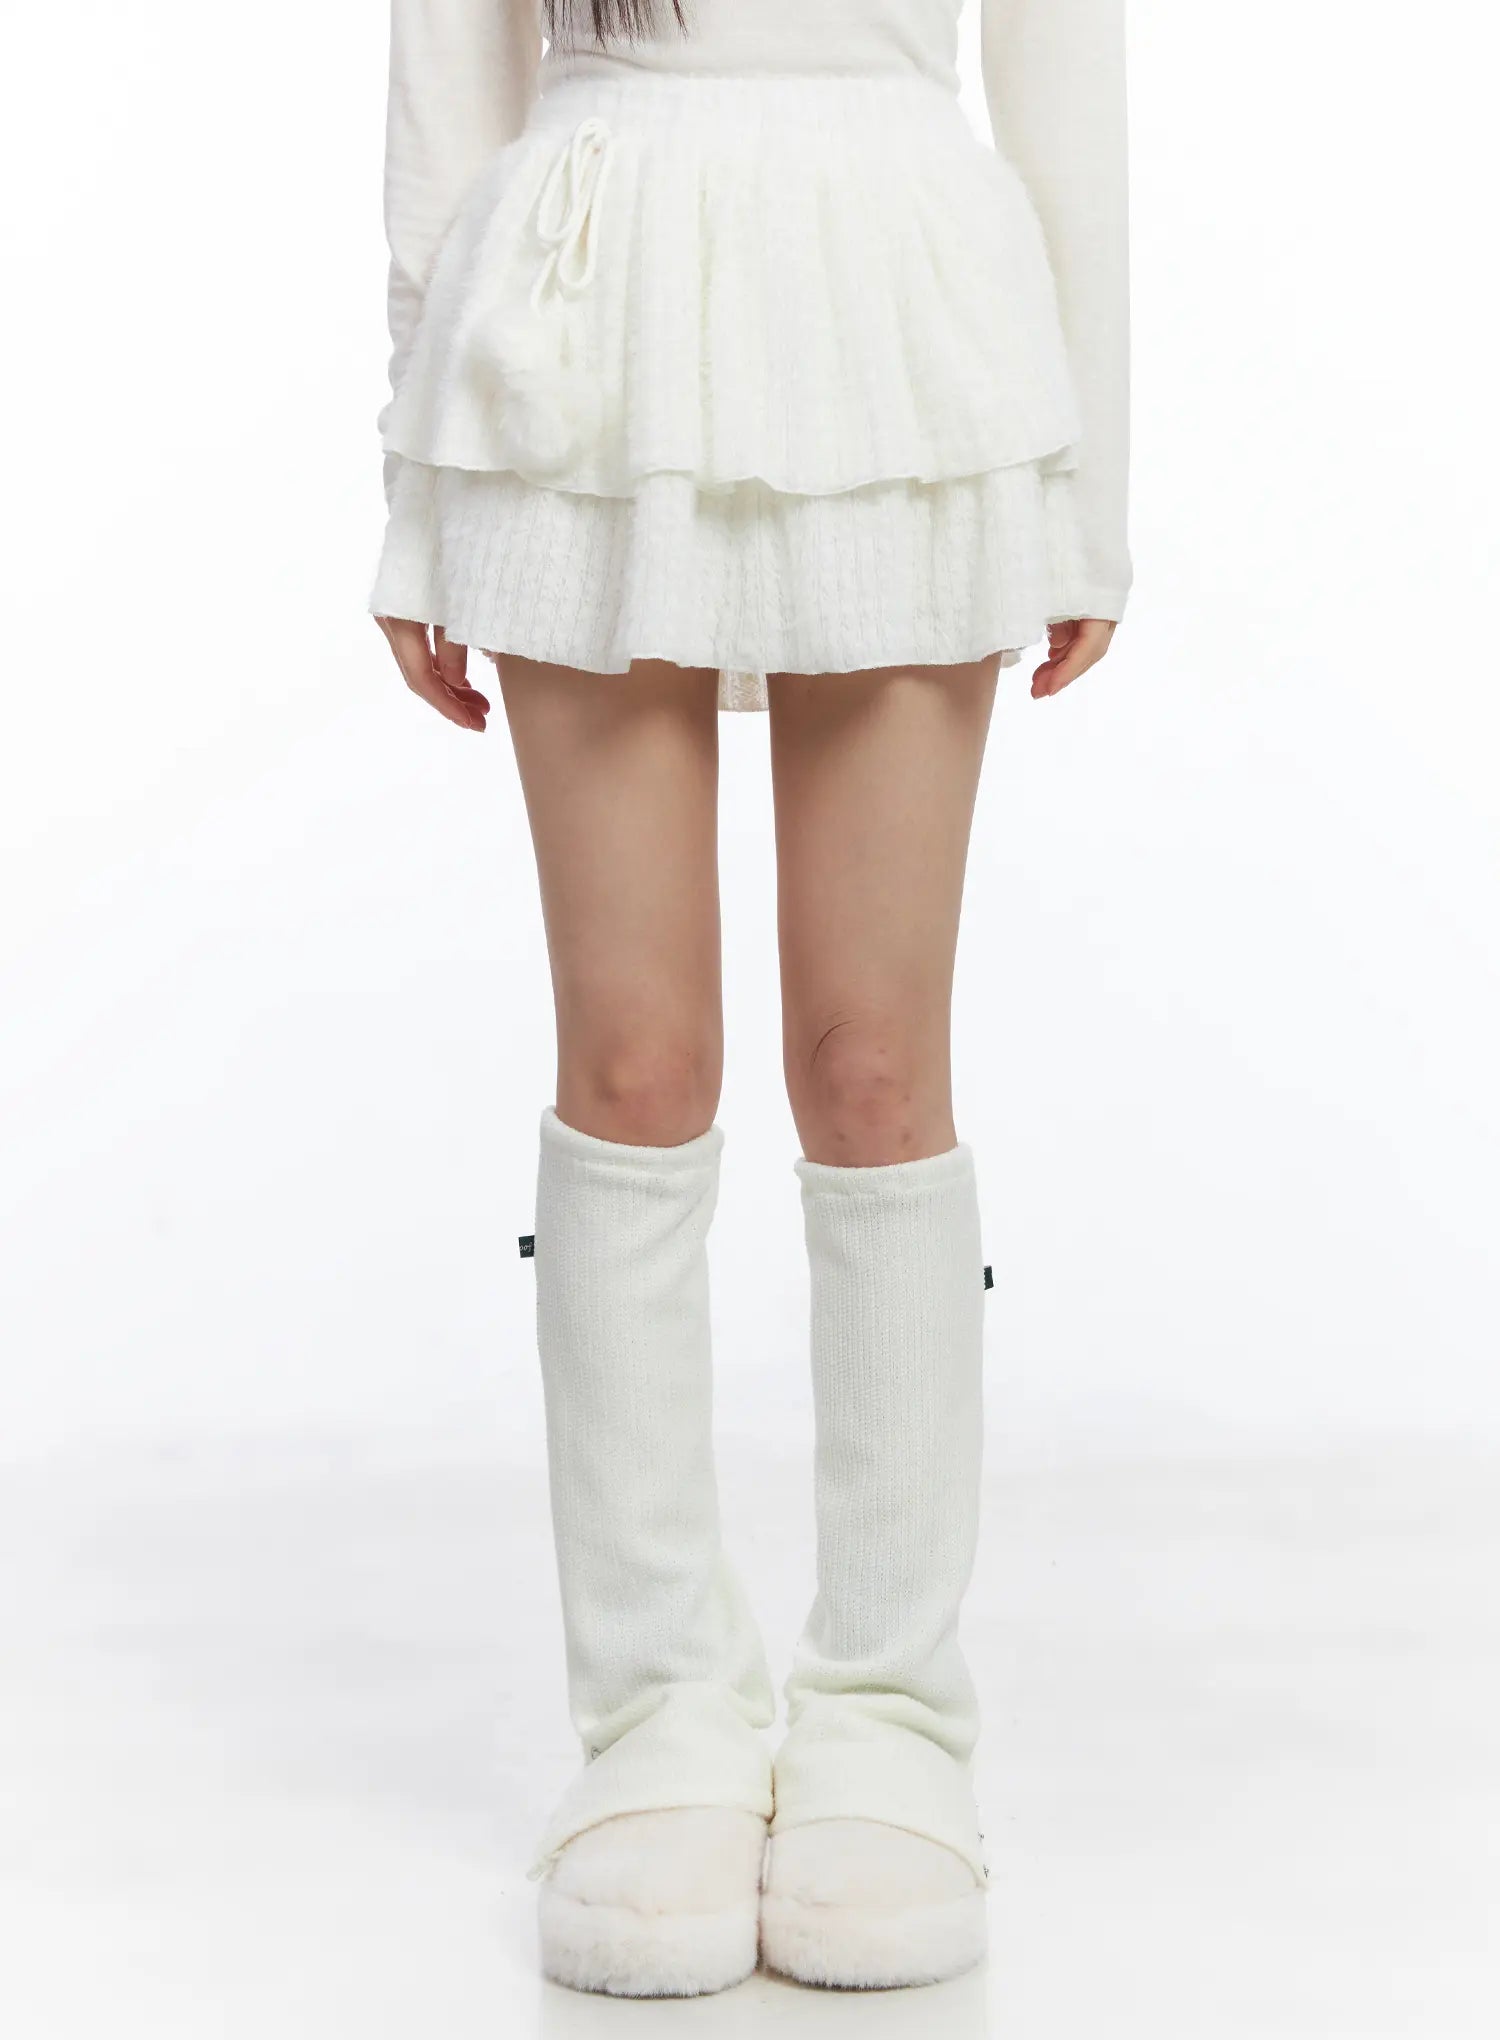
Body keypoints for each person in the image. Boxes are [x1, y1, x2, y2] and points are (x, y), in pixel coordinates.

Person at [371, 0, 1129, 1999]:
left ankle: (889, 1707)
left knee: (872, 1069)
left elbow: (1068, 78)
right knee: (635, 1065)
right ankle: (655, 1717)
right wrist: (414, 455)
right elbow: (450, 62)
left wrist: (1093, 486)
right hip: (580, 326)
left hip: (905, 321)